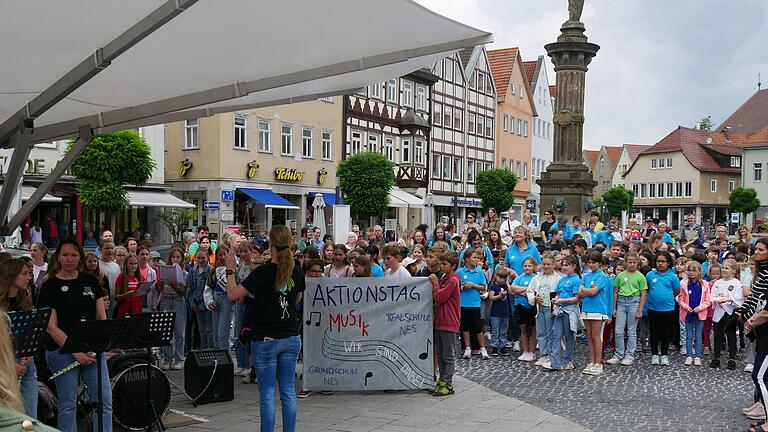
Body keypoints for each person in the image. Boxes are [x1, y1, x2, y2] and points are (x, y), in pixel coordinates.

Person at [224, 225, 304, 432]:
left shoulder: (263, 272)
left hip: (266, 337)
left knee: (267, 393)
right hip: (291, 335)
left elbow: (233, 294)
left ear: (270, 243)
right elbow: (297, 298)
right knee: (287, 390)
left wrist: (230, 269)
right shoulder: (296, 270)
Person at [39, 237, 113, 432]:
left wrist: (97, 348)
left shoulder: (90, 281)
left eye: (73, 255)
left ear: (80, 257)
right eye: (65, 255)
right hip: (63, 352)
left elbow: (100, 317)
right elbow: (51, 327)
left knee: (104, 401)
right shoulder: (49, 286)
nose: (69, 259)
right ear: (58, 258)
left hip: (93, 351)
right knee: (68, 404)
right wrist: (75, 351)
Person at [0, 259, 37, 418]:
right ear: (11, 276)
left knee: (30, 412)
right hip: (5, 363)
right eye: (24, 274)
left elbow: (31, 331)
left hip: (25, 360)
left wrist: (28, 352)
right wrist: (10, 364)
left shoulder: (24, 299)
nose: (29, 277)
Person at [541, 255, 581, 371]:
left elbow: (576, 298)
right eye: (563, 265)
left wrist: (561, 301)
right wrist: (556, 301)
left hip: (570, 311)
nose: (564, 267)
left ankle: (567, 360)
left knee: (568, 336)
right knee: (556, 335)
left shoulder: (577, 280)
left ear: (574, 266)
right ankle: (555, 361)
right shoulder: (562, 280)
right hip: (560, 310)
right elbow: (558, 293)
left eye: (567, 265)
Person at [607, 253, 647, 366]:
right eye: (629, 262)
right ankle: (619, 354)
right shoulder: (620, 276)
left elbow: (643, 294)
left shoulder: (640, 276)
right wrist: (614, 308)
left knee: (631, 331)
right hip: (621, 302)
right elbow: (615, 292)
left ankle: (629, 355)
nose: (632, 264)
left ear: (637, 263)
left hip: (634, 302)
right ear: (626, 263)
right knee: (618, 330)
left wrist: (640, 309)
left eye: (634, 262)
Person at [429, 252, 461, 396]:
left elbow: (440, 297)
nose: (441, 267)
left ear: (453, 266)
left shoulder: (453, 280)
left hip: (449, 321)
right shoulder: (444, 278)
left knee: (448, 355)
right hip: (440, 321)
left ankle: (448, 383)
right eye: (441, 264)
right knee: (440, 354)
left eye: (444, 264)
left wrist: (435, 283)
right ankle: (442, 380)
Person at [578, 251, 612, 375]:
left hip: (598, 309)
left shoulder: (601, 276)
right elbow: (580, 292)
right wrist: (587, 290)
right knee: (590, 336)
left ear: (600, 263)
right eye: (590, 263)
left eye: (594, 262)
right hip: (586, 308)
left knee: (596, 336)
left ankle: (598, 363)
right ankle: (592, 361)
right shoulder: (586, 276)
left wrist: (585, 290)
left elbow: (593, 292)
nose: (591, 265)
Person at [645, 251, 680, 366]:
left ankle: (664, 355)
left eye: (663, 261)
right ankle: (654, 354)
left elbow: (676, 291)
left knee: (666, 332)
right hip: (653, 308)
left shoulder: (672, 276)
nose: (660, 264)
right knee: (654, 331)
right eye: (658, 261)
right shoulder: (650, 275)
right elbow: (648, 289)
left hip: (668, 309)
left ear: (668, 263)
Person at [156, 247, 187, 370]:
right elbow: (159, 290)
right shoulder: (164, 270)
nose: (175, 259)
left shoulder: (185, 273)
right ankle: (168, 358)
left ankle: (179, 358)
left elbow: (183, 293)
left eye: (178, 257)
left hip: (178, 301)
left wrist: (175, 286)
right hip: (165, 300)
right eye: (173, 257)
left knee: (179, 332)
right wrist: (160, 285)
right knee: (165, 332)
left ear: (182, 259)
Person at [710, 258, 744, 370]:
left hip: (730, 312)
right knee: (717, 335)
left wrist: (728, 300)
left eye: (727, 268)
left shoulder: (737, 283)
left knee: (731, 335)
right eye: (723, 267)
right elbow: (712, 296)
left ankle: (732, 358)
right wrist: (716, 301)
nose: (724, 270)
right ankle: (716, 358)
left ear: (733, 270)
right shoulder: (718, 283)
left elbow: (738, 298)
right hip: (719, 311)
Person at [529, 252, 561, 367]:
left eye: (548, 264)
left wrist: (556, 309)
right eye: (544, 264)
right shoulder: (537, 278)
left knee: (551, 332)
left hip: (550, 307)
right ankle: (543, 354)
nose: (546, 266)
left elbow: (559, 294)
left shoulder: (558, 278)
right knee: (541, 332)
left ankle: (551, 354)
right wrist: (534, 298)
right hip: (540, 307)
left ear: (553, 265)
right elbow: (529, 291)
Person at [678, 260, 711, 366]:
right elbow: (680, 299)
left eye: (694, 270)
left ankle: (697, 356)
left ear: (699, 272)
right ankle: (688, 355)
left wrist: (700, 308)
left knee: (698, 335)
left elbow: (708, 300)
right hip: (688, 312)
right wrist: (686, 307)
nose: (691, 272)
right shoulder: (684, 284)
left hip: (699, 313)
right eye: (689, 270)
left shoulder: (705, 285)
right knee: (688, 335)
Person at [205, 246, 233, 351]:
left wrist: (220, 270)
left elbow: (226, 286)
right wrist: (210, 301)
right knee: (215, 334)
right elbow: (208, 288)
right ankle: (218, 356)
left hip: (226, 300)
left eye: (224, 254)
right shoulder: (213, 270)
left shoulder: (231, 269)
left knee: (222, 333)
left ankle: (225, 357)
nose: (222, 257)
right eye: (219, 255)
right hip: (216, 299)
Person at [510, 257, 537, 362]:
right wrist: (527, 290)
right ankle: (525, 350)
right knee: (523, 329)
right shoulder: (519, 278)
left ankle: (532, 351)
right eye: (525, 265)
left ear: (534, 267)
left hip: (531, 307)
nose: (527, 268)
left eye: (529, 265)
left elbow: (534, 291)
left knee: (532, 329)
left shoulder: (535, 278)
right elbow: (513, 288)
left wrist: (521, 291)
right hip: (520, 305)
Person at [187, 249, 213, 349]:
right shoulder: (193, 270)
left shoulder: (210, 270)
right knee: (201, 329)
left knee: (209, 329)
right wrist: (193, 304)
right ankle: (203, 348)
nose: (201, 260)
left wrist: (203, 304)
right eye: (198, 258)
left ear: (207, 257)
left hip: (206, 303)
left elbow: (210, 289)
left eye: (203, 258)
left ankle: (210, 349)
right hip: (196, 303)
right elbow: (191, 288)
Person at [487, 267, 511, 356]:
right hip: (495, 312)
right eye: (501, 278)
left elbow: (511, 292)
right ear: (496, 277)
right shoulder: (493, 286)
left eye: (504, 278)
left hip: (505, 312)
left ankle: (502, 346)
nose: (502, 280)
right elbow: (491, 298)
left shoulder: (505, 285)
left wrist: (507, 283)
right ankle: (494, 347)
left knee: (504, 330)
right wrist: (499, 296)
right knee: (495, 330)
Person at [114, 253, 142, 318]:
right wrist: (127, 294)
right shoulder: (121, 277)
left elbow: (139, 296)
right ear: (126, 265)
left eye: (136, 264)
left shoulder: (140, 277)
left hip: (137, 309)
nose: (134, 265)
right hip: (125, 310)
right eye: (131, 264)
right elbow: (116, 297)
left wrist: (145, 291)